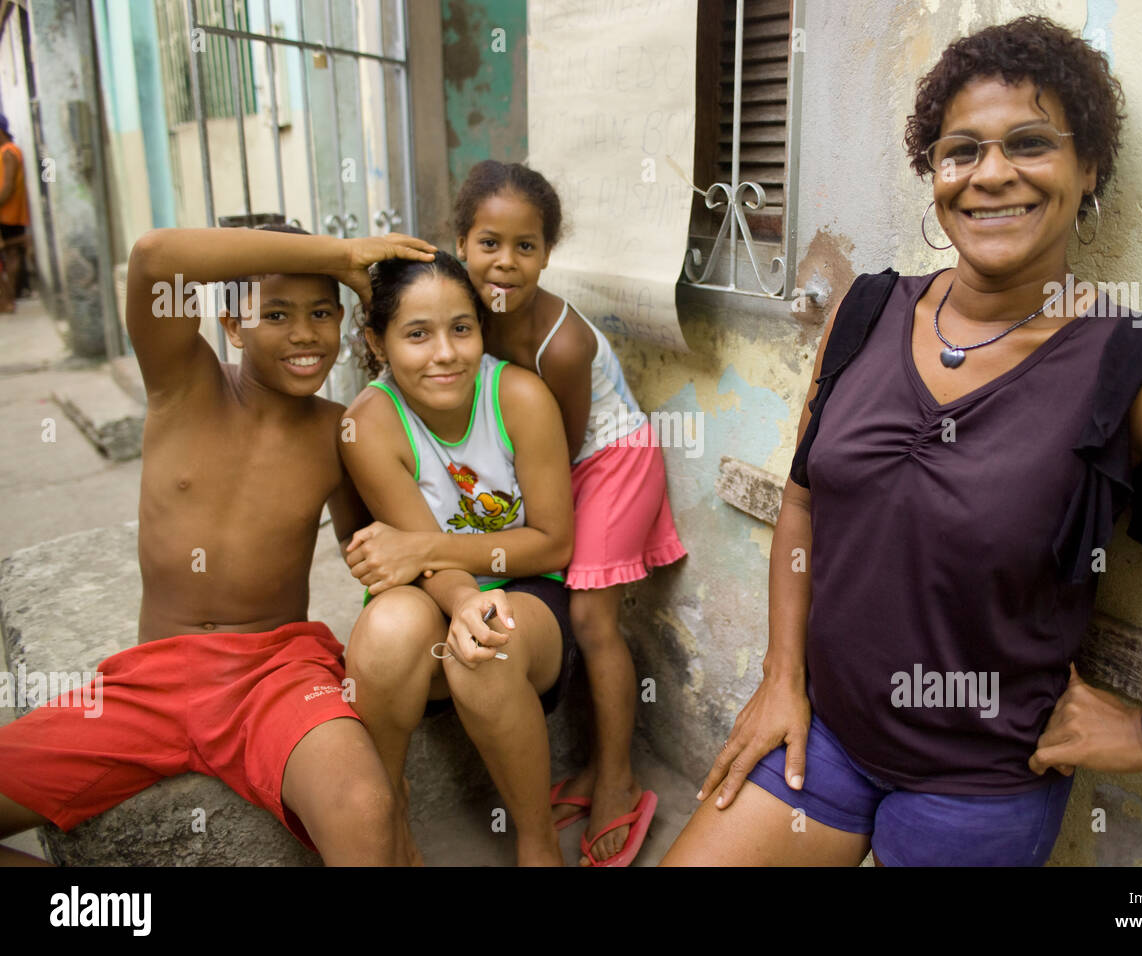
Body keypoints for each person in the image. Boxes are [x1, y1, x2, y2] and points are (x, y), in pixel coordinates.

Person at [662, 16, 1142, 867]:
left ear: (1089, 167)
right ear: (935, 173)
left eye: (1030, 143)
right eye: (961, 150)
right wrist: (782, 676)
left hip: (980, 786)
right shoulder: (866, 313)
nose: (991, 173)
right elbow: (806, 506)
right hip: (824, 739)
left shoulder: (1132, 367)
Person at [0, 223, 436, 866]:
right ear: (232, 325)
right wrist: (339, 255)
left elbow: (369, 550)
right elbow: (153, 257)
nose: (303, 334)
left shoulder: (339, 432)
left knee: (364, 806)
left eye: (321, 313)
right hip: (152, 681)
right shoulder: (183, 386)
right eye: (276, 314)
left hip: (277, 673)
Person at [447, 161, 687, 866]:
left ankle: (617, 779)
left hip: (609, 459)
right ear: (461, 243)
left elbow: (568, 442)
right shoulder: (464, 313)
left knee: (590, 617)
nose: (506, 262)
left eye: (527, 247)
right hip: (549, 466)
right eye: (489, 242)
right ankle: (586, 767)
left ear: (549, 254)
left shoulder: (566, 343)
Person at [339, 251, 577, 867]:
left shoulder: (518, 397)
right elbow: (423, 565)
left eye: (461, 328)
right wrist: (464, 597)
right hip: (427, 594)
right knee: (391, 627)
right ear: (377, 342)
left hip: (528, 594)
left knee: (487, 646)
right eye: (417, 334)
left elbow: (553, 541)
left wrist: (433, 556)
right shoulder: (369, 423)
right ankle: (389, 813)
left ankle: (536, 838)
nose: (445, 353)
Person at [0, 114, 29, 312]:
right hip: (9, 212)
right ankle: (9, 299)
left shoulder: (9, 152)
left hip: (7, 213)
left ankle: (9, 299)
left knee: (11, 252)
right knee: (12, 251)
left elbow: (8, 186)